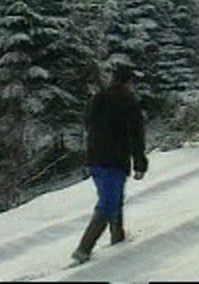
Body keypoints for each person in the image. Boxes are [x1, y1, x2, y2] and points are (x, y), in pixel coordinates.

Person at [72, 64, 148, 264]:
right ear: (128, 81)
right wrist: (139, 161)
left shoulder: (97, 99)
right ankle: (84, 248)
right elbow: (136, 134)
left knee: (113, 197)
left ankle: (118, 237)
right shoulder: (129, 101)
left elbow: (86, 123)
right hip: (115, 159)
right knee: (108, 204)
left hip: (94, 158)